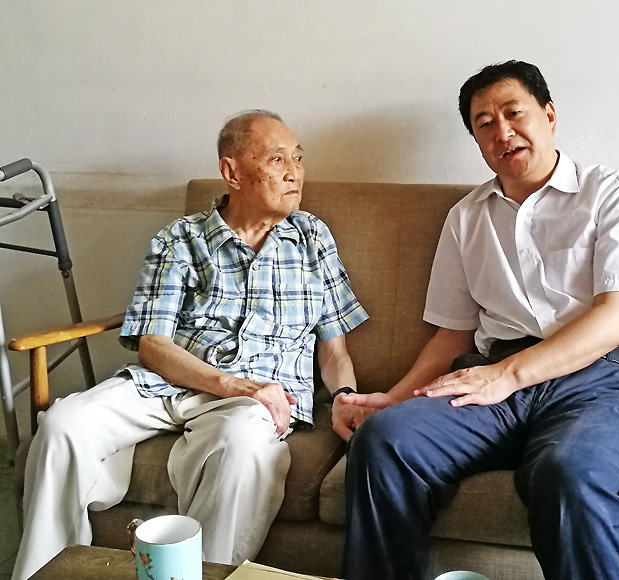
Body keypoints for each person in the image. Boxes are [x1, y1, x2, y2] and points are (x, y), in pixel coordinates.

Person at [333, 61, 619, 580]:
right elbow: (453, 333)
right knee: (383, 440)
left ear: (548, 115)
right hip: (494, 387)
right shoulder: (466, 217)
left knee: (569, 473)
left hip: (601, 380)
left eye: (514, 113)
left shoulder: (612, 191)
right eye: (484, 124)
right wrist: (392, 399)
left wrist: (505, 375)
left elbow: (616, 320)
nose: (502, 132)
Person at [13, 110, 368, 580]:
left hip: (257, 400)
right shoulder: (180, 239)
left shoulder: (311, 238)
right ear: (232, 172)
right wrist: (231, 383)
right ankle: (45, 573)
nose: (294, 172)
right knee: (62, 424)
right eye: (277, 159)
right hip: (168, 384)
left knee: (242, 444)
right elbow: (153, 345)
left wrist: (344, 396)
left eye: (297, 159)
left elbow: (334, 349)